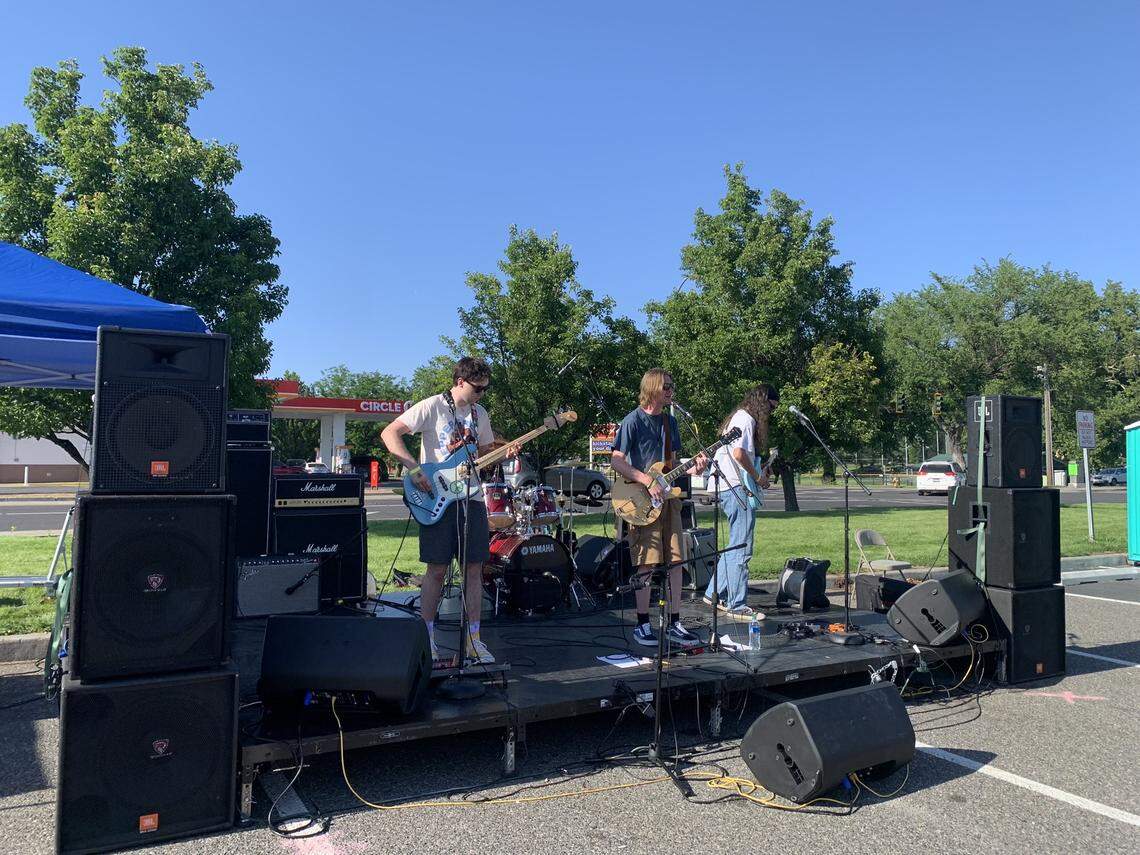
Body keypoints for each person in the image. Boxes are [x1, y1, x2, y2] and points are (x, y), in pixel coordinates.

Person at [382, 357, 511, 664]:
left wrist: (504, 451)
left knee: (474, 569)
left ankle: (474, 640)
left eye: (485, 389)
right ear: (460, 382)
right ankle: (427, 636)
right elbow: (390, 434)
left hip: (472, 497)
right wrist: (414, 469)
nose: (481, 394)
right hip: (437, 495)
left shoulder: (480, 414)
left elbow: (483, 455)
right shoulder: (432, 407)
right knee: (437, 570)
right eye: (477, 388)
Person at [610, 368, 708, 647]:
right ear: (652, 388)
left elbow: (673, 464)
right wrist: (645, 479)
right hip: (641, 500)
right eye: (666, 386)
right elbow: (617, 461)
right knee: (647, 563)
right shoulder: (632, 421)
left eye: (671, 386)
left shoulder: (671, 422)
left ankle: (675, 621)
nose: (670, 390)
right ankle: (642, 624)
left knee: (677, 561)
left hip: (669, 500)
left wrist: (693, 467)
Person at [702, 384, 779, 620]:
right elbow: (738, 454)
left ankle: (712, 593)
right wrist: (757, 477)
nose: (772, 413)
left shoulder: (739, 417)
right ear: (763, 402)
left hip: (730, 487)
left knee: (735, 545)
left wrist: (760, 472)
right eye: (771, 407)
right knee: (742, 548)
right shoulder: (745, 419)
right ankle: (736, 604)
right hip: (736, 488)